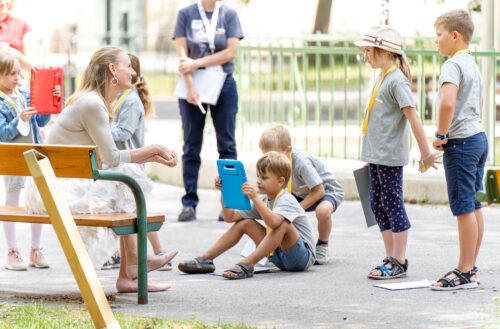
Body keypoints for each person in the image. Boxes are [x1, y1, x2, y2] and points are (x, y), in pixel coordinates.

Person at [24, 46, 178, 293]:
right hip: (54, 188)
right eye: (128, 65)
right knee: (127, 178)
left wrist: (155, 156)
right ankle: (132, 269)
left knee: (128, 178)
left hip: (58, 181)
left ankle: (131, 272)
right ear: (113, 70)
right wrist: (154, 149)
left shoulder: (96, 101)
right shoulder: (93, 104)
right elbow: (112, 158)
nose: (133, 71)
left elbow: (106, 160)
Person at [354, 26, 439, 279]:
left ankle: (398, 261)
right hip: (375, 155)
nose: (366, 56)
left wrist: (426, 154)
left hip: (389, 156)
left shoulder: (397, 80)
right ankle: (390, 257)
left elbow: (413, 117)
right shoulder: (382, 76)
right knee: (377, 203)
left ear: (384, 51)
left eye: (369, 51)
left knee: (392, 203)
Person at [177, 151, 316, 279]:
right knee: (245, 222)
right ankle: (205, 260)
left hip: (300, 258)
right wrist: (225, 191)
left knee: (282, 224)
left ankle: (247, 264)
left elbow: (274, 223)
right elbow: (230, 217)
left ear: (280, 181)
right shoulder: (263, 200)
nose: (259, 181)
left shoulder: (287, 200)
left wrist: (254, 198)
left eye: (265, 178)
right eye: (258, 176)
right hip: (278, 256)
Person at [101, 53, 177, 272]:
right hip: (122, 163)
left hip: (131, 163)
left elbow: (124, 132)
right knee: (131, 209)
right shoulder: (120, 97)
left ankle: (158, 252)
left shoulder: (131, 100)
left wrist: (100, 130)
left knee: (135, 210)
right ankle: (123, 254)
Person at [173, 0, 244, 221]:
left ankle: (229, 204)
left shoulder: (229, 14)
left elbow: (231, 52)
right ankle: (189, 203)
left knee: (227, 145)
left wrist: (197, 62)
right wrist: (191, 87)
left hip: (223, 82)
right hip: (193, 84)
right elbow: (183, 58)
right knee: (191, 145)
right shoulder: (186, 14)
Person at [430, 10, 486, 290]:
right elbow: (481, 101)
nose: (435, 41)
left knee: (464, 206)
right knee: (473, 204)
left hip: (461, 142)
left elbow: (447, 103)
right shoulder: (472, 64)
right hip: (478, 138)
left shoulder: (452, 65)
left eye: (438, 35)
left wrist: (441, 135)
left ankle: (465, 270)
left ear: (455, 35)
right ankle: (471, 267)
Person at [0, 50, 57, 270]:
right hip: (13, 157)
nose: (16, 78)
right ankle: (12, 251)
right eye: (11, 74)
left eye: (17, 73)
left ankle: (35, 249)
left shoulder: (24, 93)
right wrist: (18, 119)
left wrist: (51, 97)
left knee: (37, 201)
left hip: (33, 153)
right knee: (12, 201)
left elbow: (41, 120)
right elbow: (2, 134)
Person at [258, 125, 344, 265]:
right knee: (276, 211)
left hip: (325, 190)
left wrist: (294, 210)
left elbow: (318, 190)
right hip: (300, 192)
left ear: (288, 150)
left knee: (322, 212)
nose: (269, 159)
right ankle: (280, 246)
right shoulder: (276, 163)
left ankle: (322, 245)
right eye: (265, 155)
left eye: (273, 155)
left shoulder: (301, 162)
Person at [0, 0, 33, 71]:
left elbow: (30, 66)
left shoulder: (21, 24)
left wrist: (12, 52)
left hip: (11, 79)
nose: (2, 2)